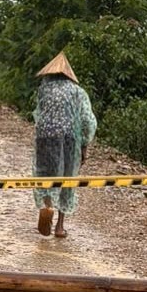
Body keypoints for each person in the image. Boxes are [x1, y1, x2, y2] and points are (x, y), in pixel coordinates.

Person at [31, 51, 96, 238]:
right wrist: (84, 145)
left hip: (45, 137)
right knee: (68, 178)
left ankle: (48, 206)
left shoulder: (44, 89)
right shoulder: (78, 92)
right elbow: (87, 121)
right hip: (68, 138)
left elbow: (38, 114)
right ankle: (59, 227)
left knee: (45, 174)